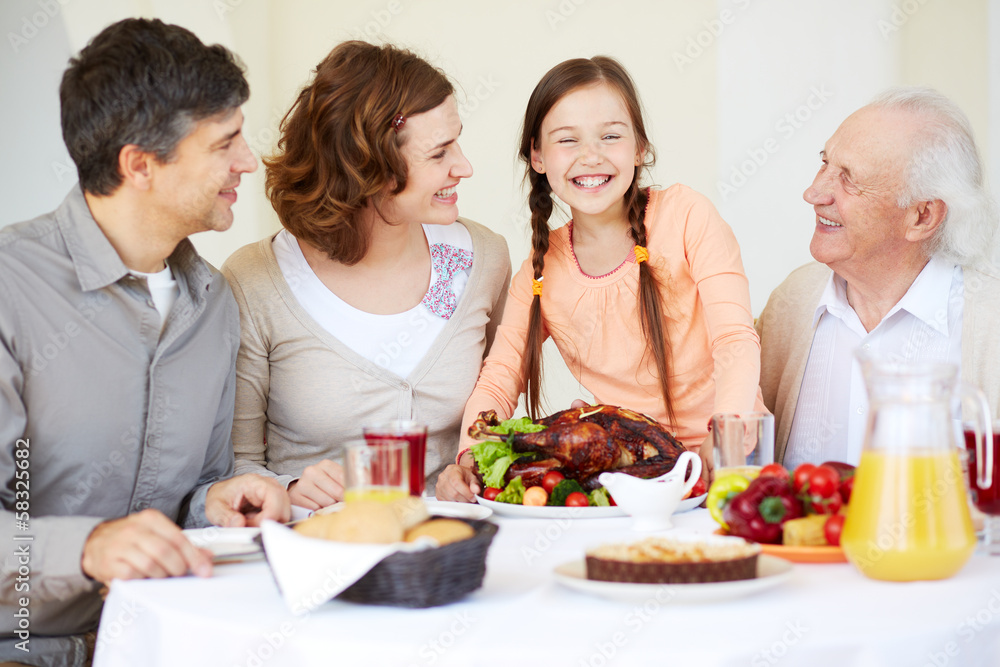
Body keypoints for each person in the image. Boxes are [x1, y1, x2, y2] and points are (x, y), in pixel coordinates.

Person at [0, 19, 290, 665]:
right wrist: (88, 547)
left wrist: (218, 501)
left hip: (169, 638)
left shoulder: (213, 301)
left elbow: (197, 487)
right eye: (225, 143)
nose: (247, 161)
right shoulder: (9, 287)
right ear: (140, 164)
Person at [436, 56, 765, 502]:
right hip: (632, 478)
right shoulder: (540, 267)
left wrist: (725, 437)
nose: (591, 156)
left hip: (730, 460)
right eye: (567, 140)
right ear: (537, 155)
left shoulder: (687, 215)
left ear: (639, 148)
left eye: (611, 136)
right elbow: (500, 376)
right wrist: (470, 459)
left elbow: (736, 340)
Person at [222, 41, 510, 508]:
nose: (464, 167)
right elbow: (232, 465)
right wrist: (289, 489)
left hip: (452, 551)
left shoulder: (482, 260)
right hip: (319, 555)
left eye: (456, 142)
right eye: (439, 154)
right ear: (367, 167)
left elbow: (498, 426)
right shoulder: (255, 280)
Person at [756, 87, 1000, 469]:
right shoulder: (791, 302)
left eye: (849, 179)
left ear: (922, 216)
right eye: (825, 163)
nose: (814, 192)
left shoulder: (991, 325)